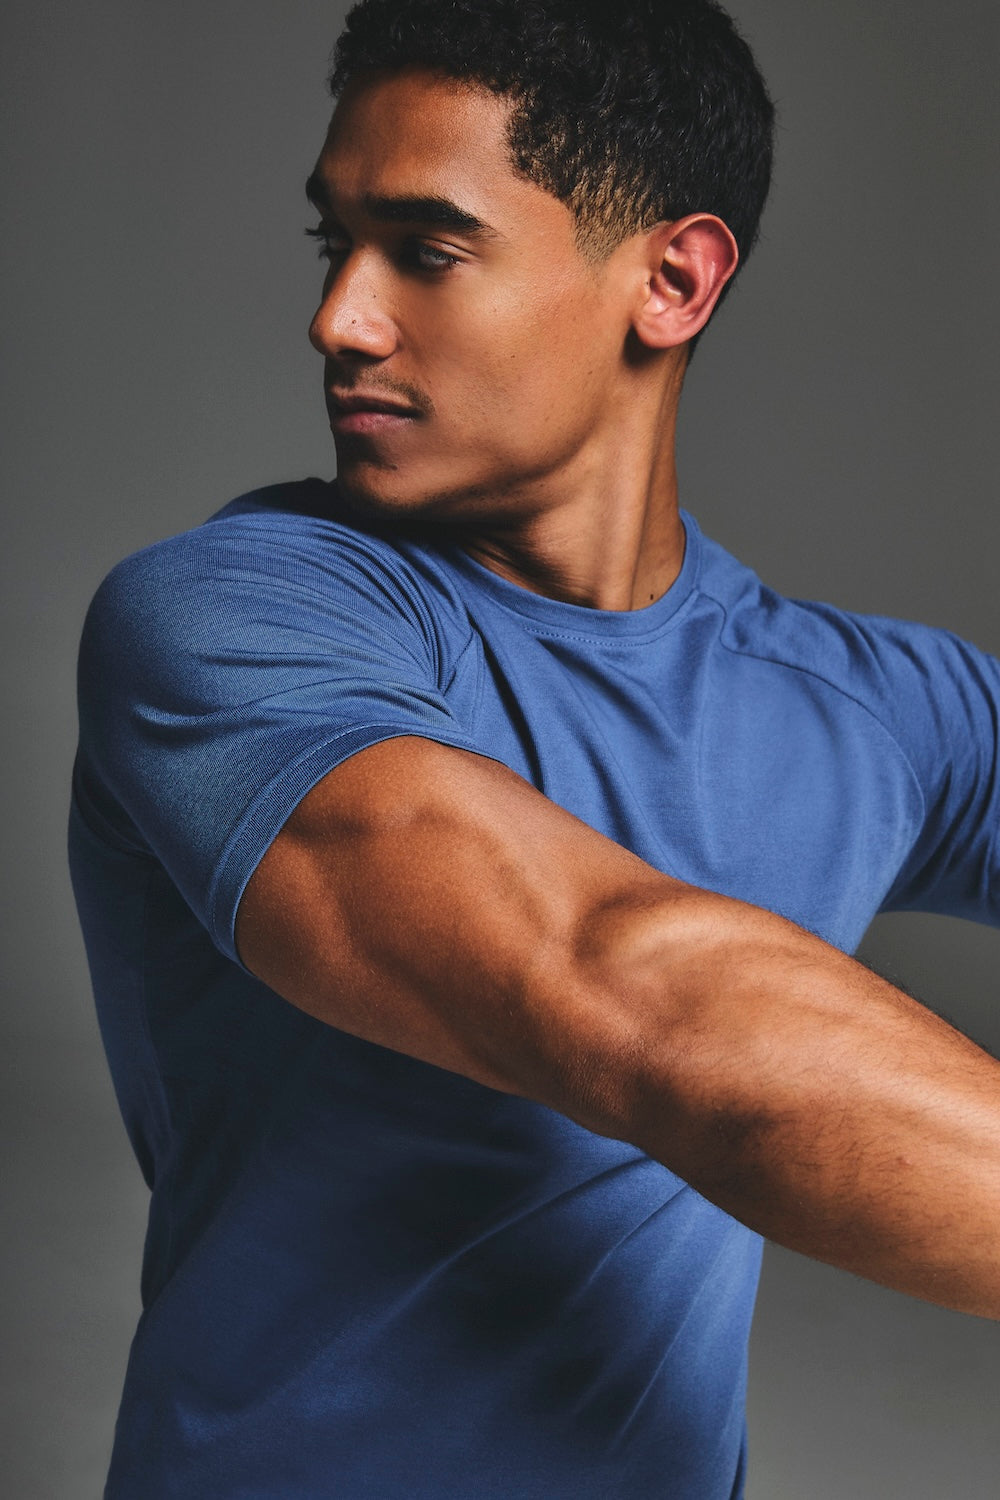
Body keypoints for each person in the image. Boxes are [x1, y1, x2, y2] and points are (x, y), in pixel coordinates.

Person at [69, 0, 1000, 1495]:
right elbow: (631, 993)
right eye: (335, 244)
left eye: (426, 251)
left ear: (673, 282)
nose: (340, 319)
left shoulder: (866, 710)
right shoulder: (229, 620)